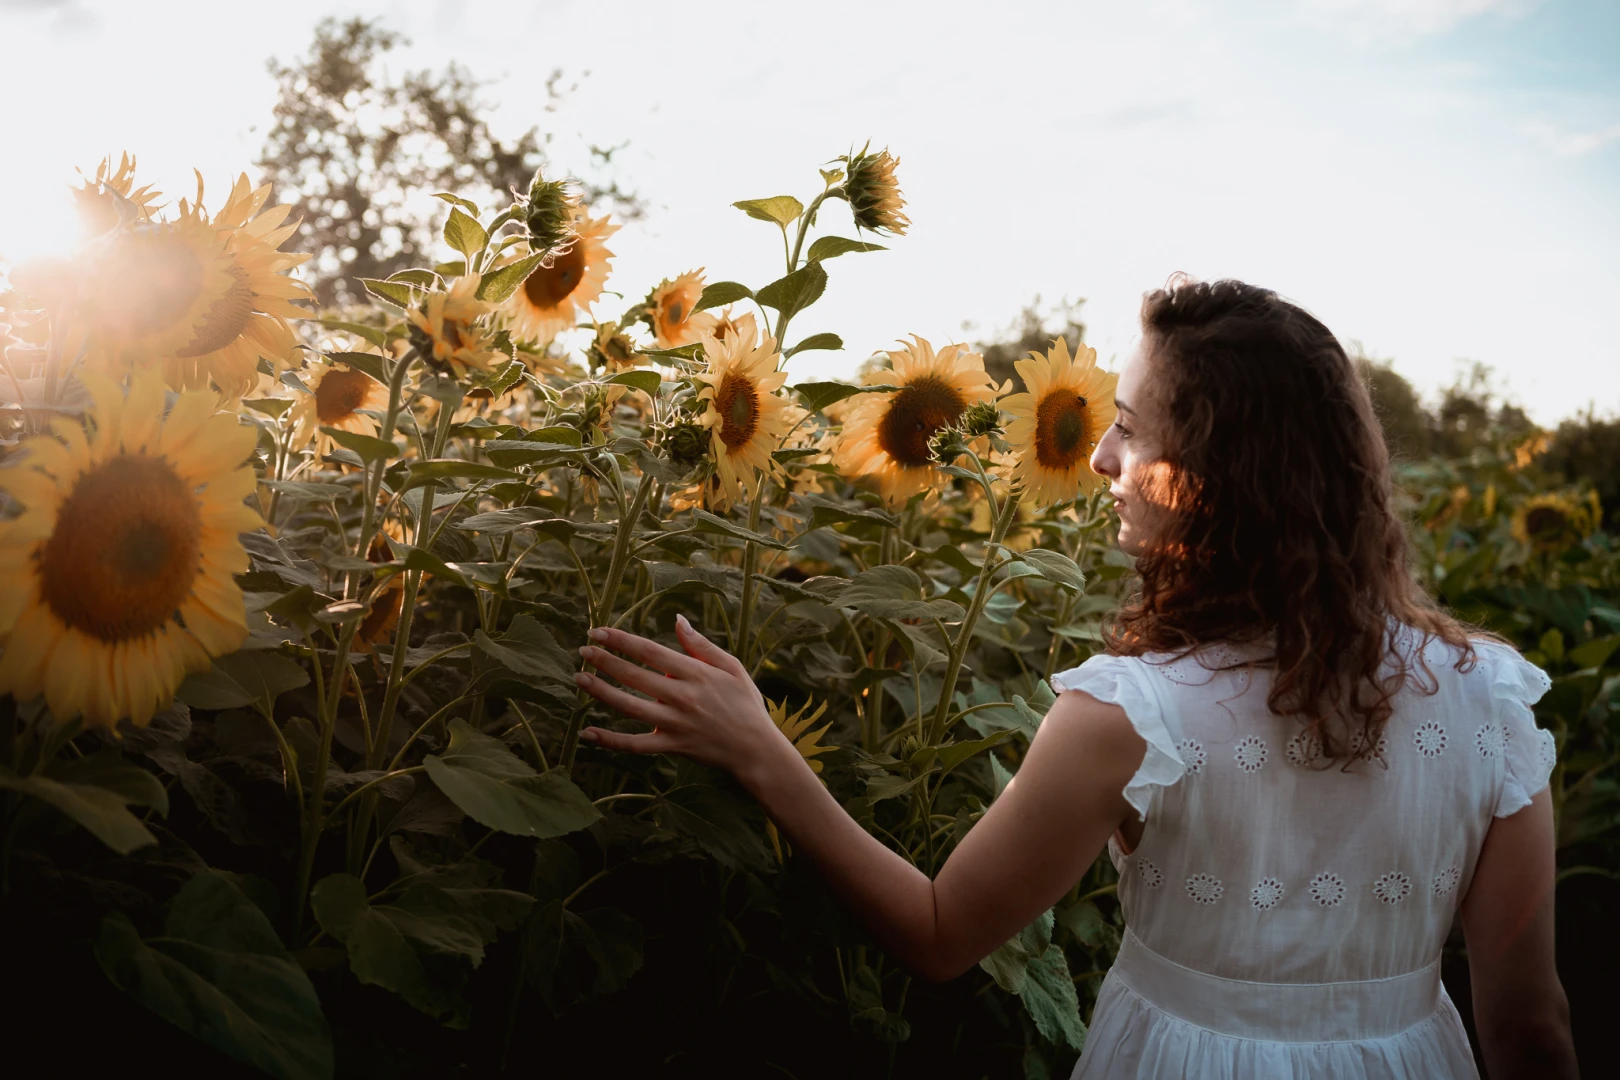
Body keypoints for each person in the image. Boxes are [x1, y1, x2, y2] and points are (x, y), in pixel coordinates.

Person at [572, 278, 1578, 1079]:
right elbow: (1530, 1032)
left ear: (1223, 476)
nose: (1100, 458)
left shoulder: (1136, 713)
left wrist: (761, 748)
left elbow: (939, 933)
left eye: (1134, 430)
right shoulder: (1492, 701)